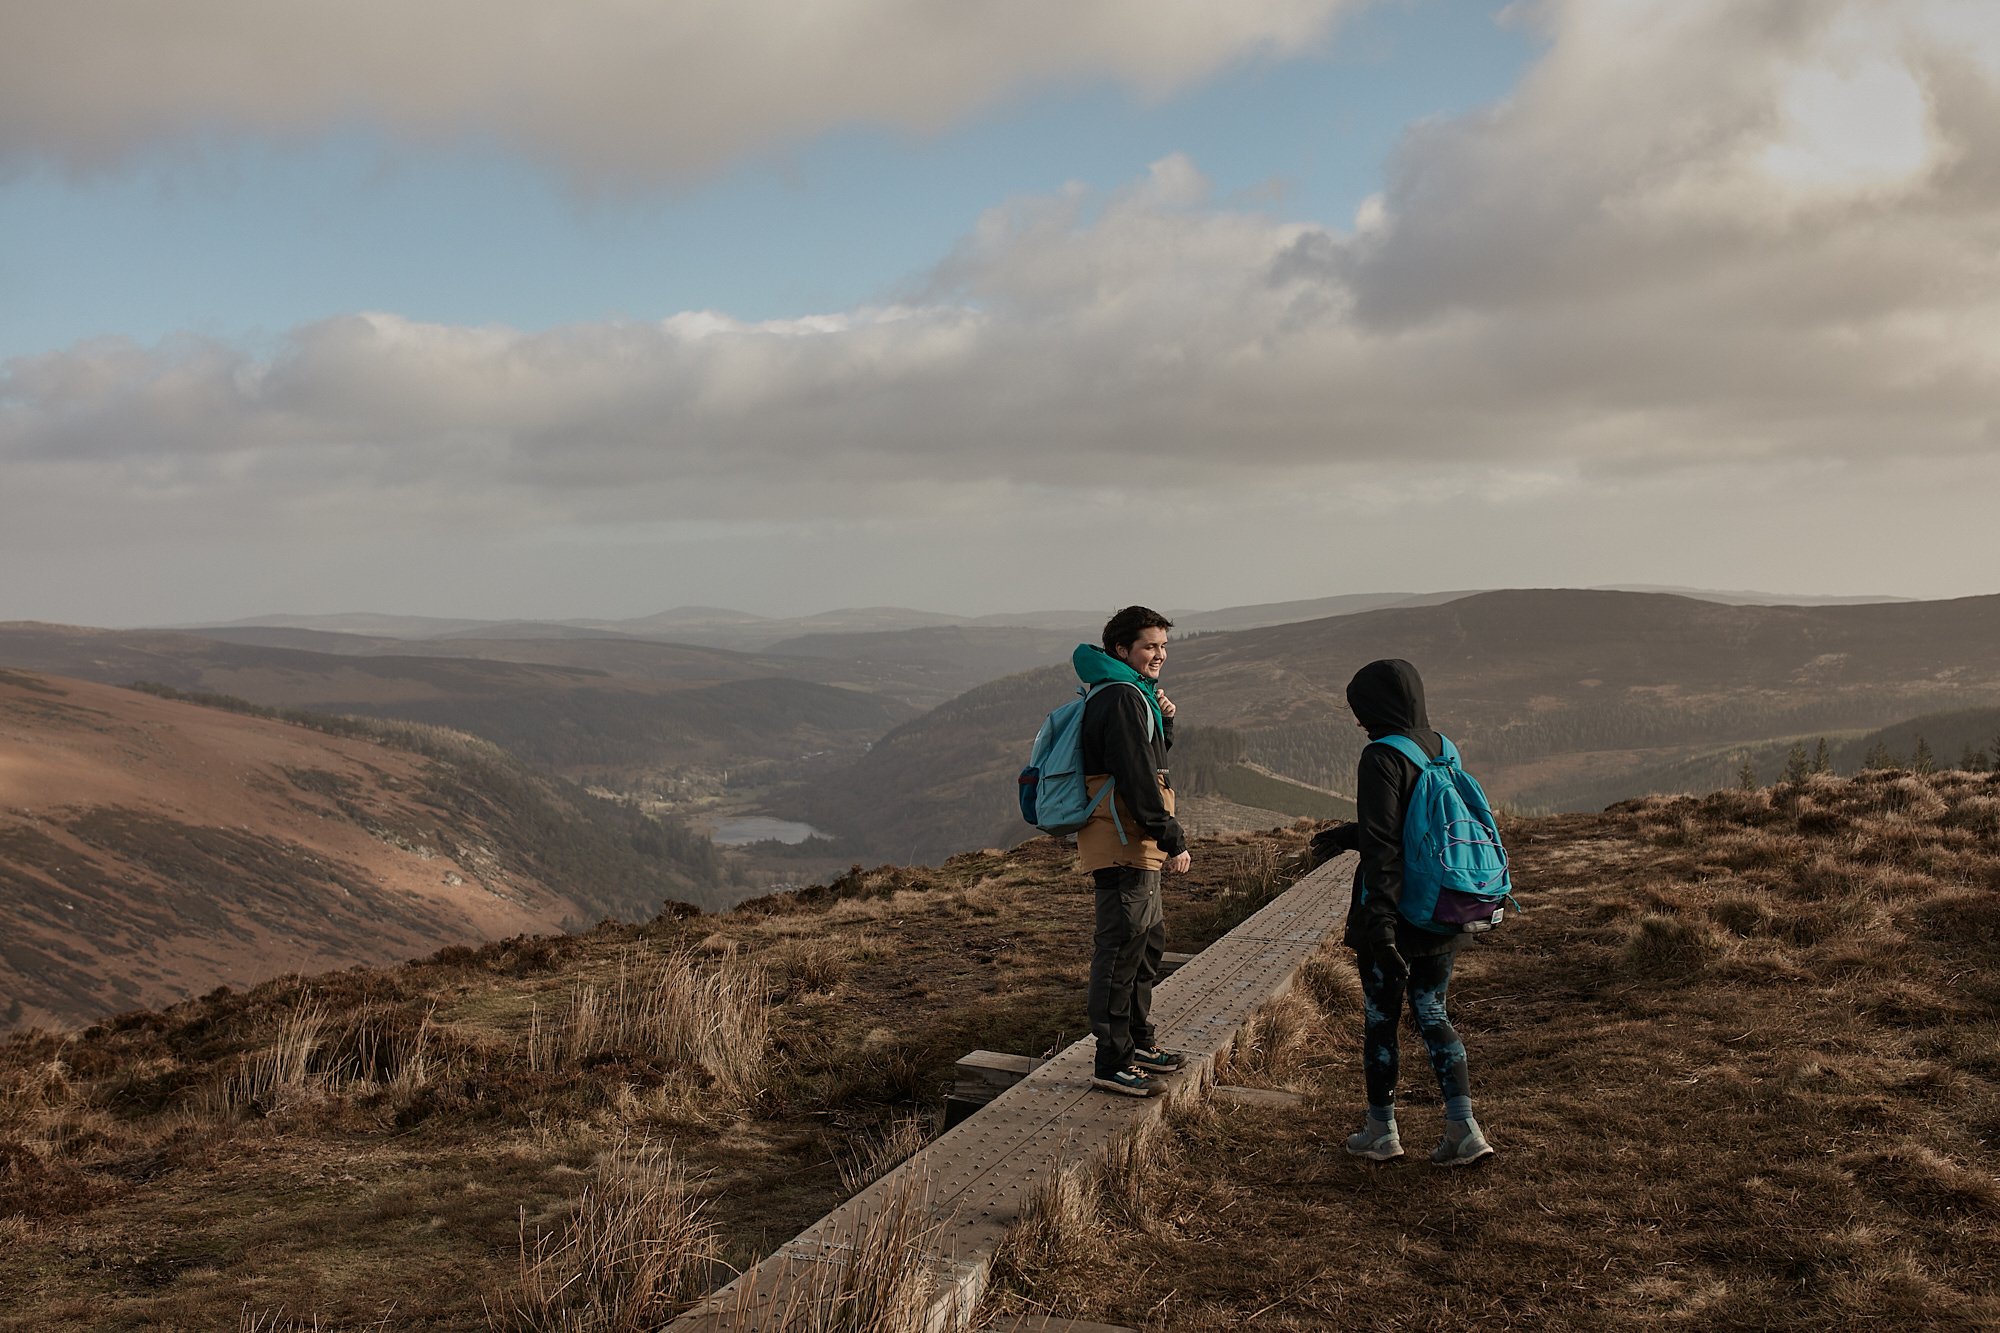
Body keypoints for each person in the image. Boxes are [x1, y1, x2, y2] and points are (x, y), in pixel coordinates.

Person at [1324, 658, 1495, 1165]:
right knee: (1432, 1011)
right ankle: (1464, 1130)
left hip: (1395, 914)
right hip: (1442, 904)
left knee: (1381, 1020)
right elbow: (1417, 828)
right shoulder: (1443, 747)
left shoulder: (1380, 756)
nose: (1359, 721)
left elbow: (1383, 847)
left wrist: (1378, 924)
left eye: (1362, 710)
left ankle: (1382, 1131)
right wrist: (1349, 832)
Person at [1075, 606, 1191, 1096]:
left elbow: (1149, 760)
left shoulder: (1132, 695)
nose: (1159, 654)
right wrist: (1171, 836)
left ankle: (1137, 1042)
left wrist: (1163, 724)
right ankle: (1113, 1061)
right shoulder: (1122, 697)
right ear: (1121, 650)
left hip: (1132, 839)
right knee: (1122, 950)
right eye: (1149, 645)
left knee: (1146, 946)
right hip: (1123, 841)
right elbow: (1139, 777)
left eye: (1163, 646)